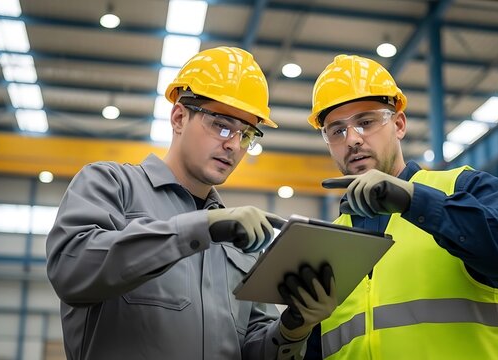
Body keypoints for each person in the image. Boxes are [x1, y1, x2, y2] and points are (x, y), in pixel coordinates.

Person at [46, 46, 336, 360]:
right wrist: (197, 230)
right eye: (222, 125)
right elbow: (72, 271)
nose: (233, 145)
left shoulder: (240, 240)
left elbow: (252, 347)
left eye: (246, 135)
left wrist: (292, 329)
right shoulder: (110, 185)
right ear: (179, 117)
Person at [304, 54, 498, 359]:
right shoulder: (329, 243)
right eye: (337, 130)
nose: (352, 139)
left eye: (366, 122)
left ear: (398, 124)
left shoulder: (461, 188)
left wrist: (416, 201)